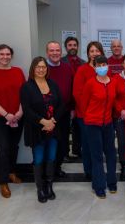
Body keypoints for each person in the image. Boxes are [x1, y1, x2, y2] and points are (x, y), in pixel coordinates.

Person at [0, 44, 26, 198]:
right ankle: (2, 181)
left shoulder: (18, 72)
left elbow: (24, 93)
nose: (5, 57)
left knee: (14, 146)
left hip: (18, 116)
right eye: (2, 54)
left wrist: (20, 112)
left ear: (11, 56)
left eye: (8, 54)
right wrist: (6, 114)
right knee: (1, 149)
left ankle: (11, 172)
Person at [20, 56, 63, 203]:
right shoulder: (27, 86)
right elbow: (27, 109)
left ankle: (49, 185)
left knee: (51, 157)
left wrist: (52, 121)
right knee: (38, 158)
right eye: (38, 67)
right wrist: (43, 121)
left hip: (53, 128)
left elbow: (61, 105)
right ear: (33, 68)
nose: (41, 69)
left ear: (47, 69)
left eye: (43, 67)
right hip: (36, 129)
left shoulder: (53, 84)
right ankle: (40, 188)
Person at [80, 55, 121, 198]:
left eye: (104, 64)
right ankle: (99, 185)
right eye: (99, 65)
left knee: (110, 154)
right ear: (95, 67)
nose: (102, 67)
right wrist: (90, 118)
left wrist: (121, 110)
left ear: (107, 66)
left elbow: (116, 101)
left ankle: (112, 182)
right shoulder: (90, 83)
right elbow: (83, 104)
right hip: (93, 124)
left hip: (108, 123)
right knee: (96, 155)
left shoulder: (113, 82)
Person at [73, 41, 106, 179]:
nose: (94, 54)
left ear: (101, 53)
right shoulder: (82, 70)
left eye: (97, 51)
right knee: (87, 144)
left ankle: (98, 168)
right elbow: (77, 93)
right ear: (88, 54)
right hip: (85, 115)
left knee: (99, 144)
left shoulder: (104, 69)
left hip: (102, 116)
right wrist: (87, 112)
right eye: (91, 51)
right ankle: (89, 170)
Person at [46, 41, 75, 178]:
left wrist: (73, 108)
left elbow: (72, 89)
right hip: (46, 114)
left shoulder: (67, 68)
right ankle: (48, 170)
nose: (55, 53)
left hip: (64, 112)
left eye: (57, 50)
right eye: (52, 50)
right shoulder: (42, 68)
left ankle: (57, 167)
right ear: (47, 52)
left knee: (62, 142)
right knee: (48, 142)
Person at [61, 36, 85, 159]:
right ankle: (64, 152)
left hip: (79, 99)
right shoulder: (61, 61)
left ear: (77, 46)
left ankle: (77, 149)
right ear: (66, 47)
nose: (72, 47)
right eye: (70, 45)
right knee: (65, 127)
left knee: (78, 126)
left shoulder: (83, 62)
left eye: (74, 45)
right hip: (66, 99)